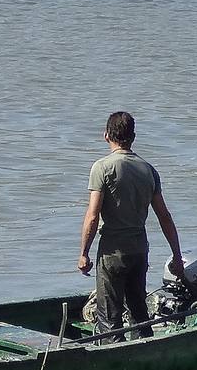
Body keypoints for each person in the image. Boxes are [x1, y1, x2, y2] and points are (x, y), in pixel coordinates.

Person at [77, 112, 184, 339]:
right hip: (139, 251)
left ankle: (114, 359)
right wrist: (177, 255)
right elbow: (164, 216)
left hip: (112, 253)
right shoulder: (148, 170)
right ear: (133, 137)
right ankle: (145, 351)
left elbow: (92, 215)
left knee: (109, 318)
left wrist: (84, 253)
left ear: (106, 135)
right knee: (138, 311)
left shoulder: (102, 168)